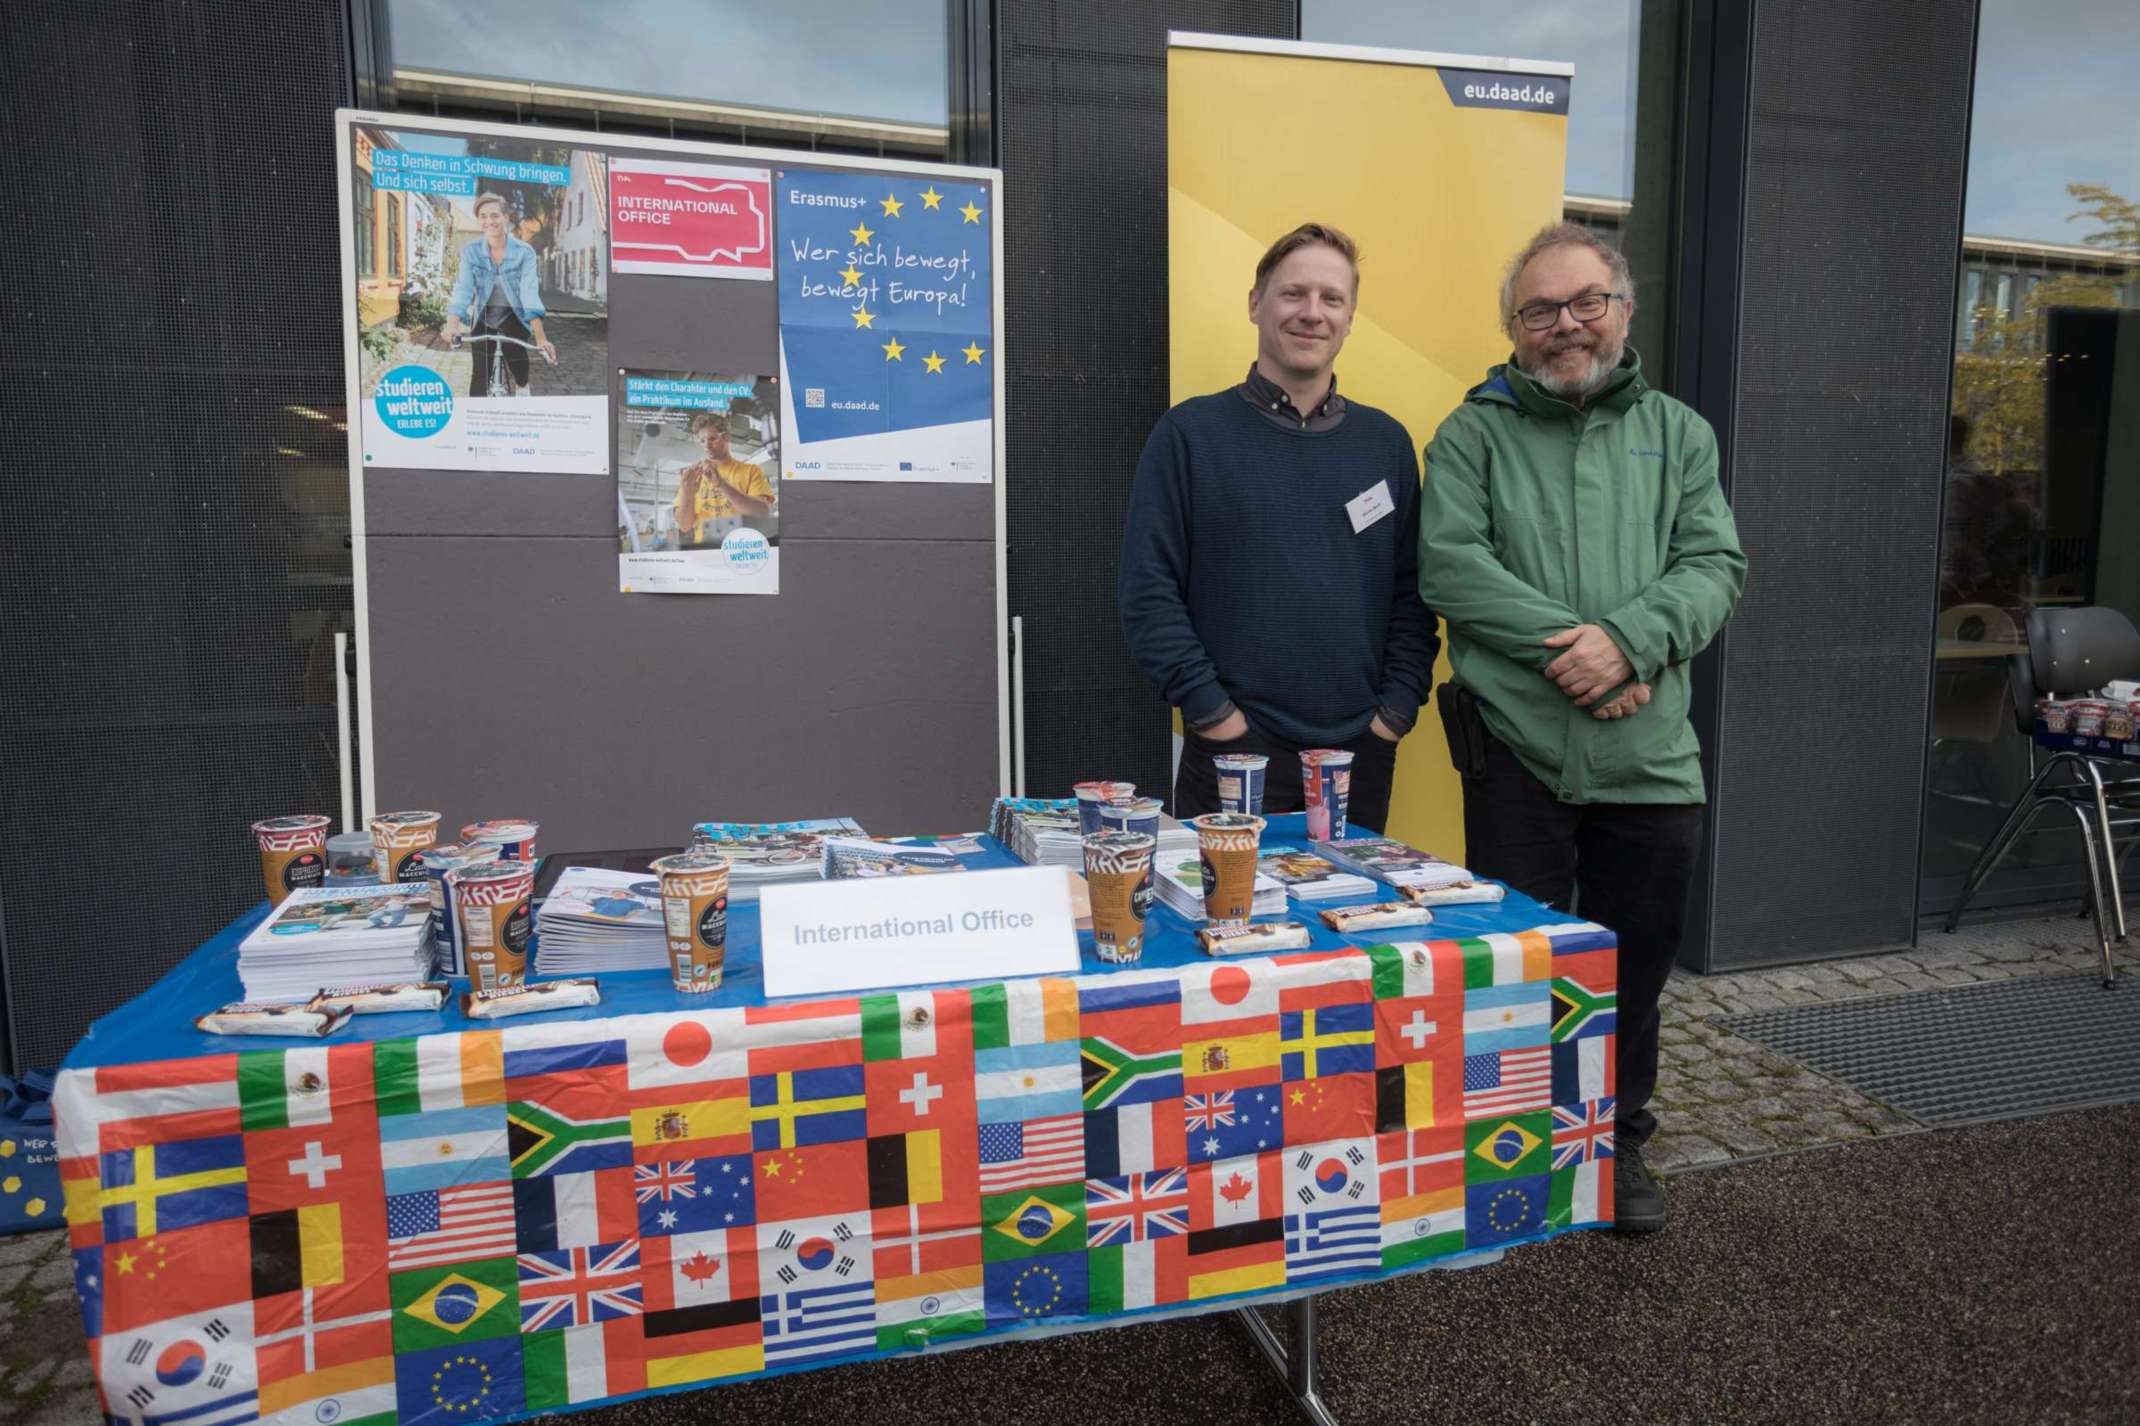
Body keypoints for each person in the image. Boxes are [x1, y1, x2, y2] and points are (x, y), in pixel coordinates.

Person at [1418, 222, 1747, 1233]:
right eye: (1539, 310)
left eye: (1582, 303)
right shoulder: (1471, 433)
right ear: (1513, 328)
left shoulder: (1681, 434)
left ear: (1621, 308)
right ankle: (1510, 1154)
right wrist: (1589, 654)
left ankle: (1617, 1148)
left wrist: (1630, 640)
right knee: (1513, 973)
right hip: (1517, 753)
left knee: (1631, 974)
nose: (1563, 325)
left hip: (1649, 764)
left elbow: (1712, 568)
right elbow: (1453, 572)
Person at [1118, 223, 1438, 831]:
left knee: (1347, 920)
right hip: (1232, 754)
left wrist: (1392, 715)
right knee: (1227, 924)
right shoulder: (1190, 436)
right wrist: (1215, 718)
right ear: (1255, 304)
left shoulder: (1386, 445)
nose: (1312, 313)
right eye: (1293, 294)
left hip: (1356, 758)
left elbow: (1413, 597)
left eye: (1331, 299)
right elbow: (1148, 593)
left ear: (1349, 318)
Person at [441, 191, 557, 396]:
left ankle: (522, 388)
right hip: (484, 318)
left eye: (494, 215)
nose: (489, 221)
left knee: (519, 368)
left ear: (506, 217)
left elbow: (529, 293)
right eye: (483, 216)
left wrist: (541, 338)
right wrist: (452, 326)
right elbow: (463, 289)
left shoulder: (524, 253)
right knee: (479, 381)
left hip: (514, 317)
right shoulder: (471, 251)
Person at [672, 412, 774, 549]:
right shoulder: (694, 476)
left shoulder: (750, 471)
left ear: (726, 437)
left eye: (712, 438)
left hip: (740, 549)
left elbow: (763, 512)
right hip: (705, 551)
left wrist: (722, 484)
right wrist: (687, 494)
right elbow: (684, 526)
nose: (706, 446)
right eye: (702, 441)